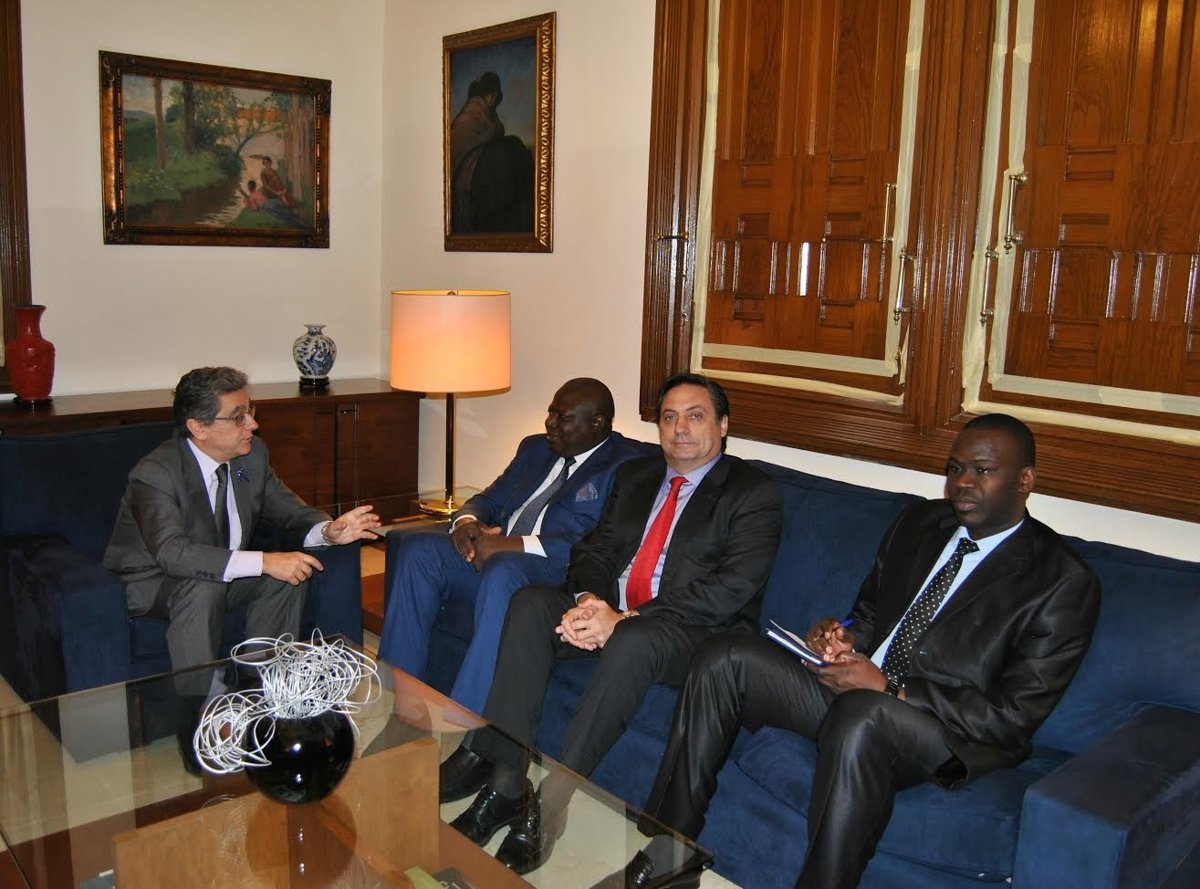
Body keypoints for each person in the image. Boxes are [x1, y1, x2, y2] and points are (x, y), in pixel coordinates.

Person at [600, 414, 1101, 889]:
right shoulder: (922, 523)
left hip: (946, 736)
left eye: (983, 471)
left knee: (863, 714)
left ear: (1025, 480)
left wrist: (891, 689)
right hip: (858, 695)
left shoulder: (1060, 580)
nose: (962, 484)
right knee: (725, 655)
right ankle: (669, 855)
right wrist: (839, 636)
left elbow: (1012, 719)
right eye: (955, 469)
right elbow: (868, 615)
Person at [439, 373, 784, 875]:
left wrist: (621, 619)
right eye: (669, 418)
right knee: (533, 603)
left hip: (691, 634)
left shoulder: (753, 492)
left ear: (723, 425)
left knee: (634, 638)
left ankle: (551, 803)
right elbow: (594, 549)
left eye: (695, 416)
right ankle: (507, 783)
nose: (680, 429)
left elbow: (731, 589)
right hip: (612, 612)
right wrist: (589, 600)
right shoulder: (638, 476)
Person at [103, 367, 381, 773]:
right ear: (198, 427)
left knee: (288, 575)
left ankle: (262, 696)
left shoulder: (251, 455)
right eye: (238, 417)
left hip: (217, 574)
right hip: (153, 580)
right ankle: (200, 720)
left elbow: (289, 511)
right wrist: (264, 560)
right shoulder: (157, 473)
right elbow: (172, 553)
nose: (253, 424)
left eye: (251, 411)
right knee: (205, 587)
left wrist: (329, 531)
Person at [378, 377, 644, 715]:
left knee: (504, 568)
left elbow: (596, 542)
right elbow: (489, 499)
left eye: (562, 417)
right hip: (494, 557)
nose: (549, 423)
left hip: (554, 571)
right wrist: (467, 522)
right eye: (551, 412)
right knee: (419, 550)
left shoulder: (627, 465)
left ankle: (464, 719)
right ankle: (396, 699)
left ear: (597, 423)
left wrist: (508, 545)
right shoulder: (535, 449)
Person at [449, 71, 505, 231]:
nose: (494, 101)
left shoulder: (486, 111)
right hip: (464, 168)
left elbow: (497, 130)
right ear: (492, 95)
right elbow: (465, 136)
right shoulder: (475, 108)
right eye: (494, 96)